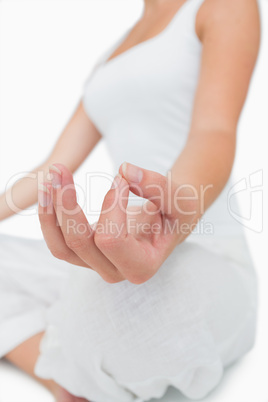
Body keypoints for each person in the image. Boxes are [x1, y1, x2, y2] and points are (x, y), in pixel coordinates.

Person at [0, 0, 261, 401]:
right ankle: (61, 373)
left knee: (126, 310)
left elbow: (213, 131)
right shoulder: (110, 57)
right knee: (104, 291)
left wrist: (171, 211)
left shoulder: (221, 6)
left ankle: (65, 336)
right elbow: (51, 167)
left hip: (202, 248)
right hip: (124, 246)